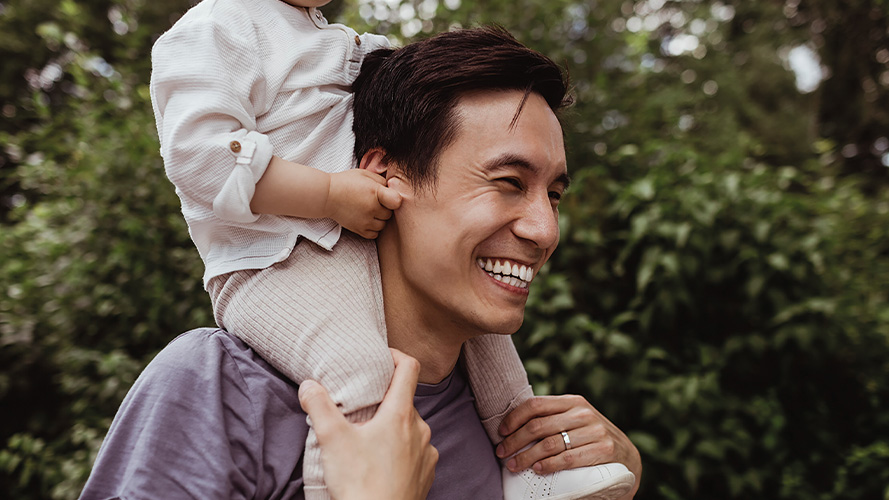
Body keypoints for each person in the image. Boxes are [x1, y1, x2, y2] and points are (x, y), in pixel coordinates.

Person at [80, 26, 641, 500]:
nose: (545, 230)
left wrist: (621, 477)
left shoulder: (509, 429)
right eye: (509, 183)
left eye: (555, 195)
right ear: (385, 177)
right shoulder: (218, 390)